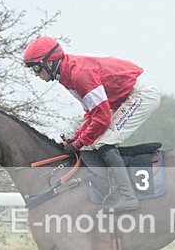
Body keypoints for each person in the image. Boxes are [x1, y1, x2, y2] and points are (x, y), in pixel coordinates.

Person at [23, 36, 161, 212]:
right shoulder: (67, 75)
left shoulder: (78, 74)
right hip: (128, 94)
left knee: (104, 142)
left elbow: (102, 117)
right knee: (96, 141)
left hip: (142, 93)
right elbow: (91, 112)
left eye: (36, 68)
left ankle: (128, 196)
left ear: (49, 63)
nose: (36, 74)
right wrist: (76, 138)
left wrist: (80, 142)